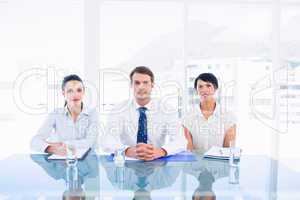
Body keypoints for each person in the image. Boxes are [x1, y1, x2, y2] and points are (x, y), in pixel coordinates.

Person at [101, 66, 186, 161]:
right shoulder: (118, 110)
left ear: (152, 85)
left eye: (145, 83)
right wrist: (127, 150)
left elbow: (181, 141)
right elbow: (107, 140)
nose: (141, 87)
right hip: (128, 161)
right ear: (131, 85)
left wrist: (161, 151)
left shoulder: (167, 109)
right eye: (137, 83)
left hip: (156, 162)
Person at [31, 74, 99, 155]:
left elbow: (90, 142)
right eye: (70, 91)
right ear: (63, 93)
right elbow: (35, 141)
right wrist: (52, 148)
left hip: (88, 162)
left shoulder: (92, 113)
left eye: (79, 90)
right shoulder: (56, 114)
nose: (75, 94)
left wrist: (60, 143)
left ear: (83, 92)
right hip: (63, 161)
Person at [182, 73, 236, 153]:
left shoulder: (228, 116)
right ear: (196, 90)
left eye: (208, 86)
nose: (204, 90)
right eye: (200, 86)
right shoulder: (188, 117)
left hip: (220, 163)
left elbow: (228, 150)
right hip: (196, 163)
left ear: (215, 88)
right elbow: (188, 149)